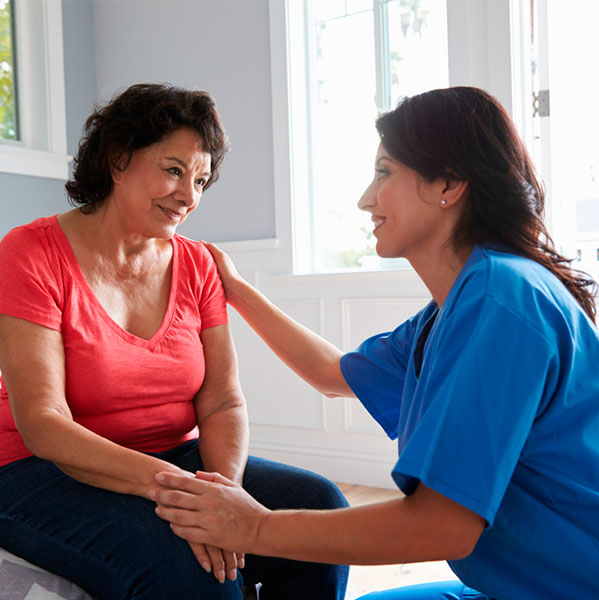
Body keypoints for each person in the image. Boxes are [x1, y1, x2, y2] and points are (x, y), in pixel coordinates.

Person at [148, 86, 599, 599]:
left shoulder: (502, 300)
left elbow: (441, 525)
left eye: (384, 172)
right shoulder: (457, 307)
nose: (366, 198)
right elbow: (331, 373)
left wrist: (252, 526)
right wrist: (236, 289)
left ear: (448, 183)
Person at [0, 83, 349, 600]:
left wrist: (223, 492)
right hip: (39, 471)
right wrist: (181, 492)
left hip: (170, 460)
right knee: (194, 568)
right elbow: (44, 423)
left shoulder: (197, 263)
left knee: (320, 509)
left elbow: (223, 398)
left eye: (202, 179)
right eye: (173, 170)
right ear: (118, 159)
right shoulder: (30, 252)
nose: (189, 196)